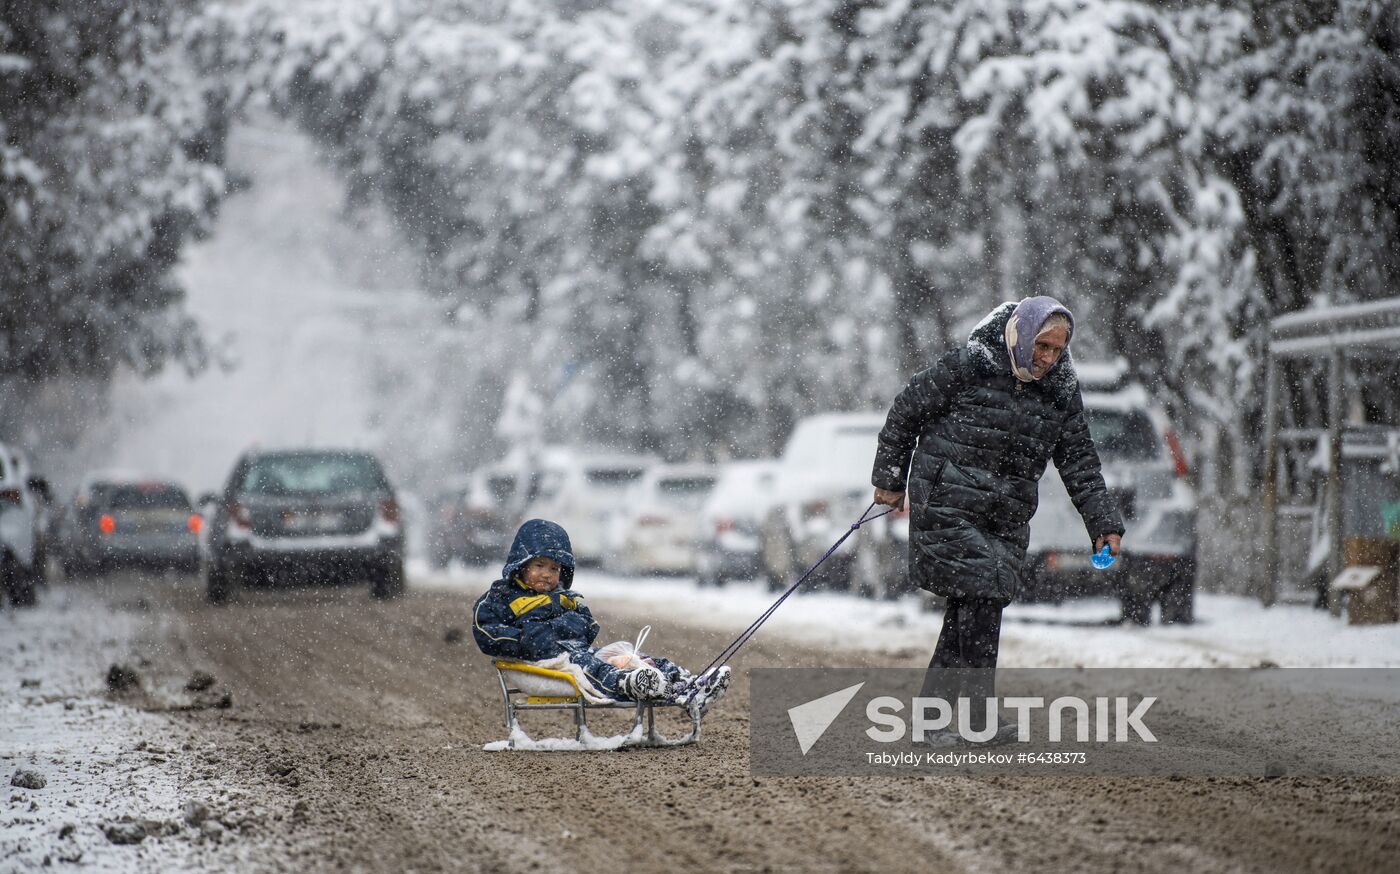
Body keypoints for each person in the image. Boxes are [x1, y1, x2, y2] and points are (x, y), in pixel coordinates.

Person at [871, 297, 1124, 744]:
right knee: (983, 591)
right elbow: (906, 410)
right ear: (1021, 334)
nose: (1047, 358)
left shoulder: (1060, 391)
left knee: (973, 606)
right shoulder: (971, 365)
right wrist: (890, 479)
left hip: (1004, 514)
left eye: (1058, 350)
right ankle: (977, 720)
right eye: (1042, 345)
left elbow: (1080, 458)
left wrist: (1102, 521)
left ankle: (929, 724)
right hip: (946, 500)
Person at [472, 518, 730, 708]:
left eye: (553, 569)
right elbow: (486, 632)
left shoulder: (565, 598)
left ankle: (684, 684)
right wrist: (525, 638)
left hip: (574, 651)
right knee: (591, 667)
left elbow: (588, 625)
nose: (546, 574)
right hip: (540, 663)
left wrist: (561, 626)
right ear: (521, 564)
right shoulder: (501, 597)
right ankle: (628, 684)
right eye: (539, 565)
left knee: (625, 655)